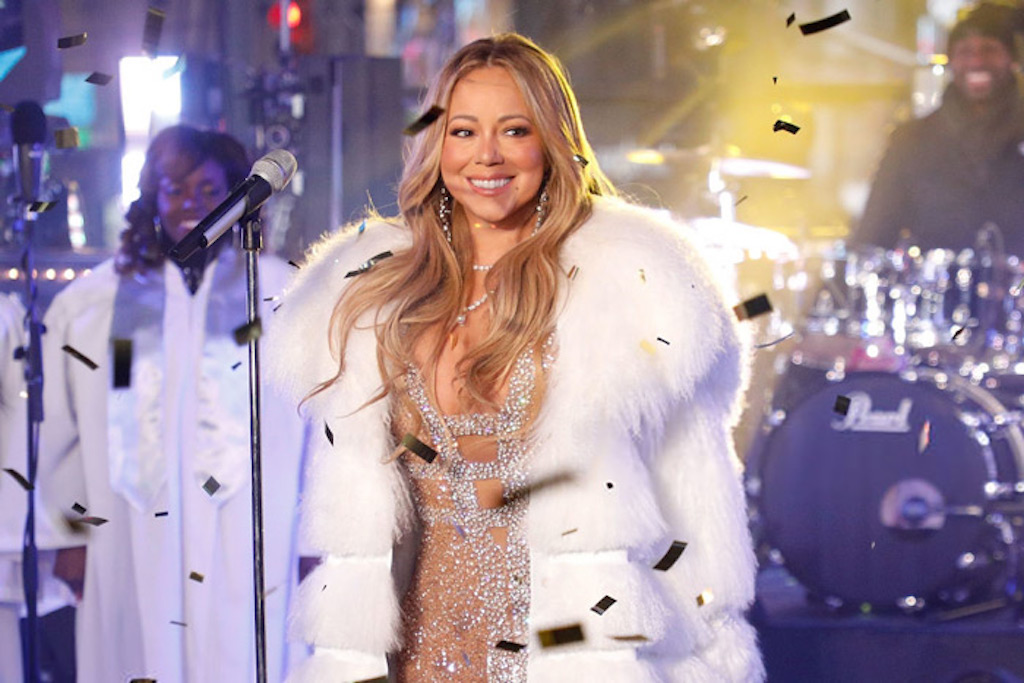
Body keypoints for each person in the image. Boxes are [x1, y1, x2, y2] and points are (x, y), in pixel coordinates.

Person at [267, 33, 762, 681]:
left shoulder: (633, 290)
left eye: (514, 130)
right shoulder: (373, 297)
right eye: (465, 131)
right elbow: (351, 526)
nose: (488, 155)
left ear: (551, 140)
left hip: (566, 653)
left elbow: (695, 522)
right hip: (417, 654)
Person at [38, 125, 307, 682]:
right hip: (127, 535)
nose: (192, 205)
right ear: (152, 198)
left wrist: (314, 538)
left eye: (209, 191)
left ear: (235, 194)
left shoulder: (283, 296)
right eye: (175, 189)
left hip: (252, 534)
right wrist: (66, 534)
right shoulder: (92, 305)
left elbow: (316, 428)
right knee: (137, 653)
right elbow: (61, 429)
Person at [855, 3, 1024, 254]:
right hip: (934, 289)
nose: (977, 60)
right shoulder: (910, 141)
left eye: (990, 49)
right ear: (951, 61)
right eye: (965, 51)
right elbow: (873, 236)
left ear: (1011, 59)